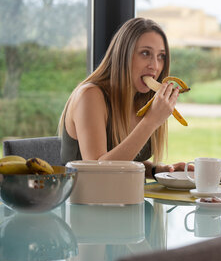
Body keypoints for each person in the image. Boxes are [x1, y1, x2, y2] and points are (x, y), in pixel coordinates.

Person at [59, 17, 190, 179]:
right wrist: (151, 122)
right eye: (145, 53)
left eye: (161, 56)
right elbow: (97, 172)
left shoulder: (140, 100)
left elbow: (125, 161)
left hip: (123, 199)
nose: (155, 66)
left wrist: (158, 170)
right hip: (81, 201)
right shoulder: (90, 96)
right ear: (123, 55)